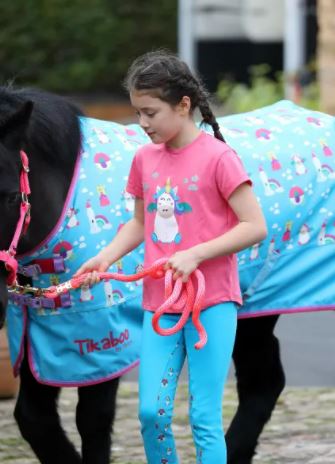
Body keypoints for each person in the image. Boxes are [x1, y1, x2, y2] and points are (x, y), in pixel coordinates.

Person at [75, 50, 267, 464]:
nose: (142, 123)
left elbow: (254, 226)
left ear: (183, 106)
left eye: (150, 112)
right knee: (152, 413)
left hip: (211, 303)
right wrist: (104, 258)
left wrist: (196, 254)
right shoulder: (144, 158)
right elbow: (141, 224)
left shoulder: (220, 157)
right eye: (137, 113)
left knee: (203, 417)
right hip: (159, 303)